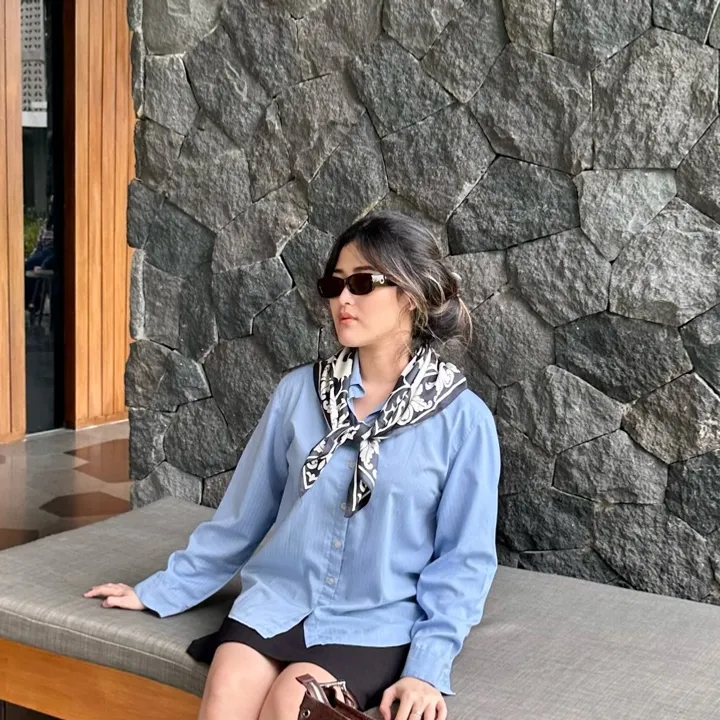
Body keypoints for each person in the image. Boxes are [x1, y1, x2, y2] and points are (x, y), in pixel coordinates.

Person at [84, 211, 501, 720]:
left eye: (362, 283)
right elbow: (242, 517)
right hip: (278, 601)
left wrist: (426, 669)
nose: (342, 299)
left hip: (375, 620)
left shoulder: (462, 420)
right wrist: (158, 591)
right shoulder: (298, 393)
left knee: (294, 699)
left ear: (410, 295)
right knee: (227, 688)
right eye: (333, 284)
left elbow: (463, 560)